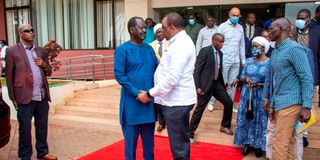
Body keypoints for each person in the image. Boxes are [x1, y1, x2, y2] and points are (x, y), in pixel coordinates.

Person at [139, 12, 197, 160]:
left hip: (177, 102)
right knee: (179, 143)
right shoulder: (176, 42)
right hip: (173, 100)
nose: (161, 31)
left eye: (164, 27)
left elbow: (172, 78)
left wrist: (150, 94)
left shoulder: (181, 44)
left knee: (179, 146)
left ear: (171, 27)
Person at [263, 23, 315, 160]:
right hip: (279, 102)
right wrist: (273, 104)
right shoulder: (276, 51)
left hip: (292, 102)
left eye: (271, 29)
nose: (268, 33)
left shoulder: (295, 49)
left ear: (282, 30)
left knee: (279, 144)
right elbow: (278, 81)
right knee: (287, 143)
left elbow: (307, 78)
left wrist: (307, 106)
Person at [5, 24, 56, 160]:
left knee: (42, 127)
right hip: (24, 97)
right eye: (27, 31)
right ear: (20, 34)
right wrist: (13, 99)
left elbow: (49, 71)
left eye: (32, 30)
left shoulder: (41, 51)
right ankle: (25, 155)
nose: (31, 33)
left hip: (41, 97)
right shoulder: (12, 51)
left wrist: (44, 64)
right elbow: (9, 76)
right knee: (25, 130)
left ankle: (43, 152)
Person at [114, 17, 158, 160]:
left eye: (145, 27)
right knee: (130, 147)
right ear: (131, 30)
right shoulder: (122, 50)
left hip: (149, 104)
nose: (145, 30)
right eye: (141, 27)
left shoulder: (149, 49)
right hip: (132, 104)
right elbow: (120, 75)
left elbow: (158, 73)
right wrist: (136, 93)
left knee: (149, 147)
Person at [189, 33, 234, 144]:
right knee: (199, 109)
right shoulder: (205, 51)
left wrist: (223, 84)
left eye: (223, 42)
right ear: (213, 40)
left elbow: (218, 70)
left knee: (228, 102)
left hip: (217, 84)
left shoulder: (221, 54)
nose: (222, 44)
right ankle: (189, 134)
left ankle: (224, 126)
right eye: (220, 41)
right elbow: (197, 70)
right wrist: (198, 86)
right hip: (205, 85)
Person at [233, 36, 270, 158]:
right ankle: (247, 144)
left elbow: (271, 82)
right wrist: (244, 79)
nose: (254, 48)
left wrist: (260, 84)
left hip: (261, 95)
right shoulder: (248, 61)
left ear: (263, 48)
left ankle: (259, 145)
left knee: (260, 119)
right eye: (252, 46)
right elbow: (242, 76)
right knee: (247, 118)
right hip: (247, 95)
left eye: (256, 46)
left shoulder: (269, 62)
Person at [217, 7, 246, 112]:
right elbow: (217, 43)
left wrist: (243, 60)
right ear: (229, 15)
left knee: (232, 84)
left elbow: (242, 45)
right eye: (233, 15)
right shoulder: (222, 27)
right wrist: (218, 59)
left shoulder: (240, 28)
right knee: (220, 83)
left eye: (237, 16)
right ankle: (211, 102)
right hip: (225, 59)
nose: (235, 17)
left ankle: (229, 105)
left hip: (236, 60)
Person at [195, 16, 219, 111]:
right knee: (204, 77)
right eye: (208, 20)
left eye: (211, 20)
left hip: (215, 56)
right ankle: (204, 99)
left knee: (214, 78)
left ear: (214, 21)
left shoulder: (218, 29)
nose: (209, 22)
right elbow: (198, 43)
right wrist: (198, 55)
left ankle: (211, 102)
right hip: (204, 57)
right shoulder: (202, 31)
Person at [149, 23, 168, 132]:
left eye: (162, 31)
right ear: (155, 33)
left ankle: (168, 121)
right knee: (158, 99)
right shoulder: (150, 45)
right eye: (158, 32)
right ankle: (161, 122)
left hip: (167, 75)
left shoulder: (170, 44)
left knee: (166, 98)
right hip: (155, 75)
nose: (160, 34)